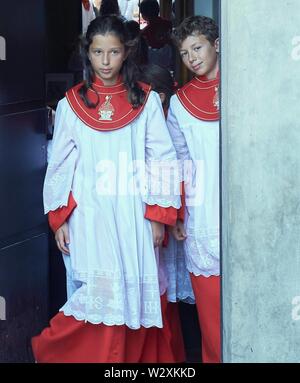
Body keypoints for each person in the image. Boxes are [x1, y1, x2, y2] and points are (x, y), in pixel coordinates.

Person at [31, 15, 181, 363]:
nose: (106, 62)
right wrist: (60, 218)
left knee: (132, 294)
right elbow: (60, 166)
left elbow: (162, 158)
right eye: (98, 53)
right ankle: (51, 351)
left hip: (133, 215)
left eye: (113, 52)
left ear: (125, 53)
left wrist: (158, 214)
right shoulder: (71, 104)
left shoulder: (146, 102)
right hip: (90, 214)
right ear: (88, 54)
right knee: (98, 295)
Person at [168, 15, 221, 363]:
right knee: (212, 320)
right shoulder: (179, 102)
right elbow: (179, 165)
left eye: (197, 47)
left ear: (216, 44)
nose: (193, 58)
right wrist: (179, 213)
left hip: (251, 209)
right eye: (185, 53)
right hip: (204, 216)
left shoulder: (251, 87)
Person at [140, 63, 196, 362]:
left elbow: (178, 168)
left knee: (169, 293)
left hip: (171, 217)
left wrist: (173, 215)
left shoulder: (167, 119)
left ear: (159, 97)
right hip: (157, 217)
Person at [139, 0, 174, 71]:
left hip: (154, 67)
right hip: (172, 63)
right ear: (158, 10)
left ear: (143, 15)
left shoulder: (145, 33)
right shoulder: (169, 24)